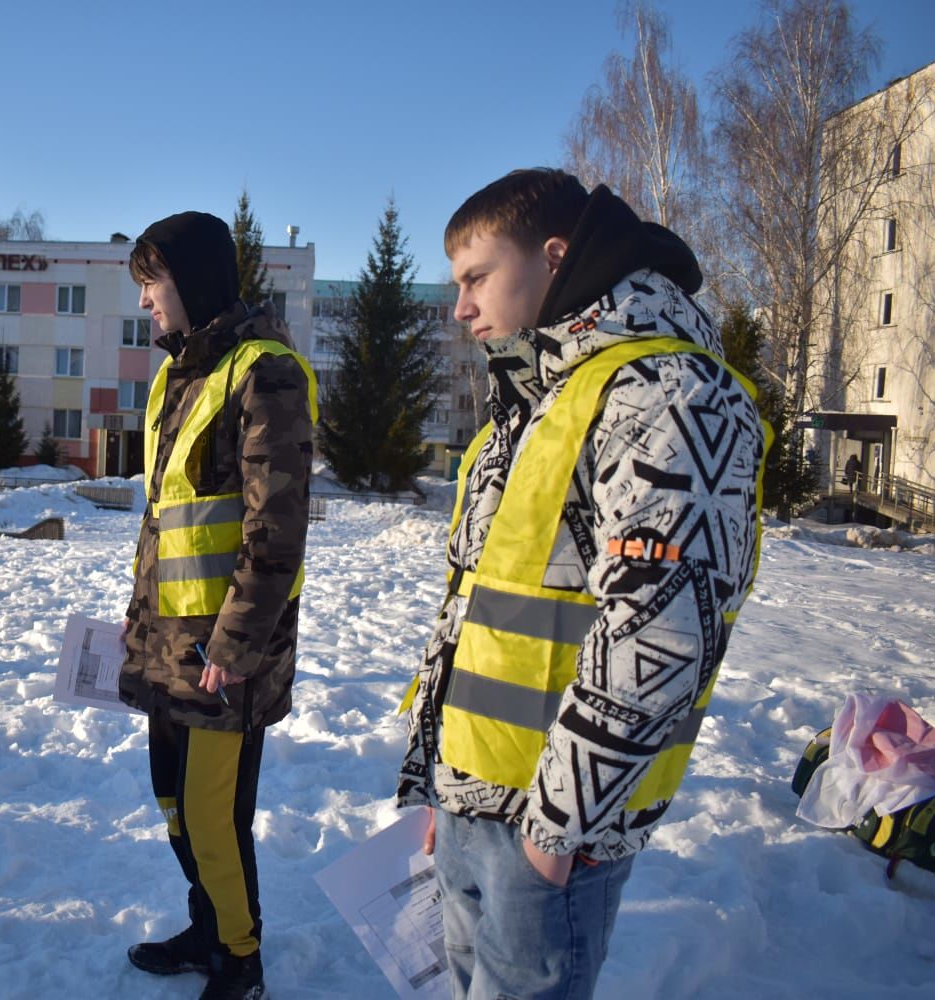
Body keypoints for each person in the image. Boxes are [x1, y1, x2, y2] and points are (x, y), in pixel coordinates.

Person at [395, 169, 768, 999]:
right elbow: (475, 612)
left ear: (553, 256)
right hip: (471, 800)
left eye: (476, 277)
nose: (460, 307)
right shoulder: (530, 404)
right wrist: (439, 782)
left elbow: (661, 635)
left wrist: (555, 833)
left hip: (553, 826)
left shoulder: (673, 396)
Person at [119, 211, 315, 1000]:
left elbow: (276, 536)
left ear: (192, 282)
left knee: (212, 816)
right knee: (173, 806)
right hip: (168, 646)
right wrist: (135, 630)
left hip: (224, 660)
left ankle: (241, 956)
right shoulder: (176, 376)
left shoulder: (267, 373)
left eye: (152, 285)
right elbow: (166, 522)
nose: (146, 305)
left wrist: (232, 650)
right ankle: (208, 925)